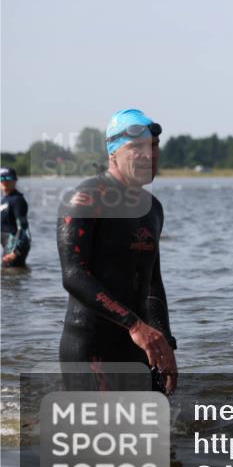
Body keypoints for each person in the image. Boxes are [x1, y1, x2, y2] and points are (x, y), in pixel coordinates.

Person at [57, 109, 177, 394]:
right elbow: (73, 276)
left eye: (154, 146)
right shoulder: (86, 199)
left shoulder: (153, 208)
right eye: (136, 148)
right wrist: (135, 325)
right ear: (113, 154)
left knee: (155, 435)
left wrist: (165, 344)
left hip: (139, 346)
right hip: (91, 349)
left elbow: (152, 284)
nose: (149, 155)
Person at [1, 167, 31, 267]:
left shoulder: (17, 200)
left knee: (9, 278)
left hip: (16, 246)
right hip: (8, 244)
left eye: (8, 178)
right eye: (1, 179)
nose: (4, 181)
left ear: (15, 180)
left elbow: (23, 227)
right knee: (10, 276)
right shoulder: (5, 200)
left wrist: (16, 252)